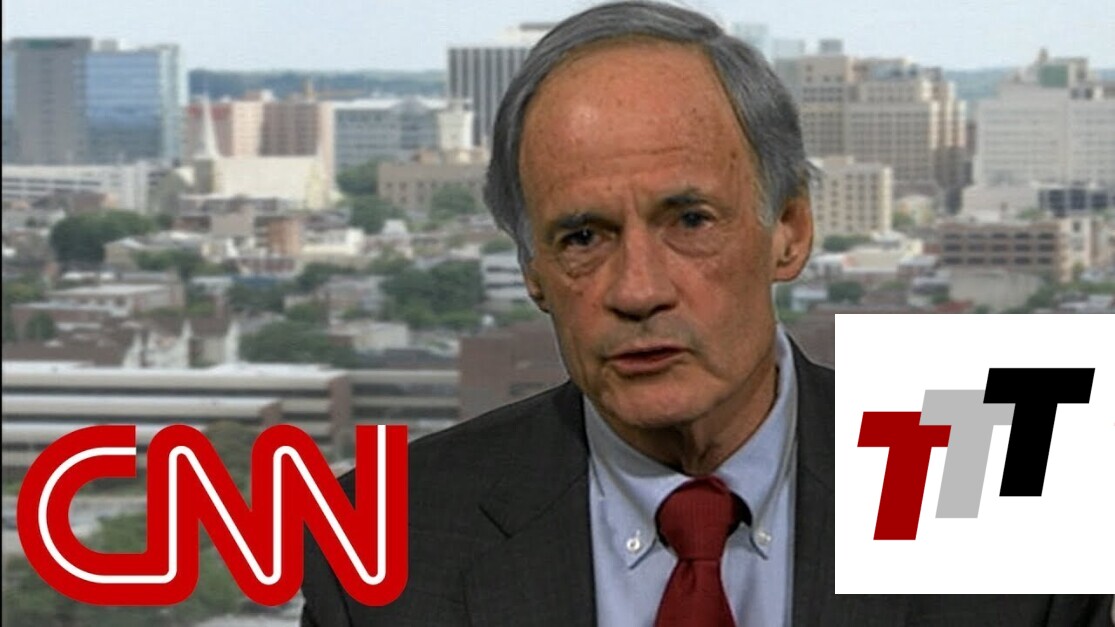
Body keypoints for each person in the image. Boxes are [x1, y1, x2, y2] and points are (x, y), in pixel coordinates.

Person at [301, 2, 1113, 625]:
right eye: (582, 236)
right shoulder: (382, 535)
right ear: (532, 271)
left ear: (788, 231)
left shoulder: (1010, 491)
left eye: (689, 220)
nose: (637, 289)